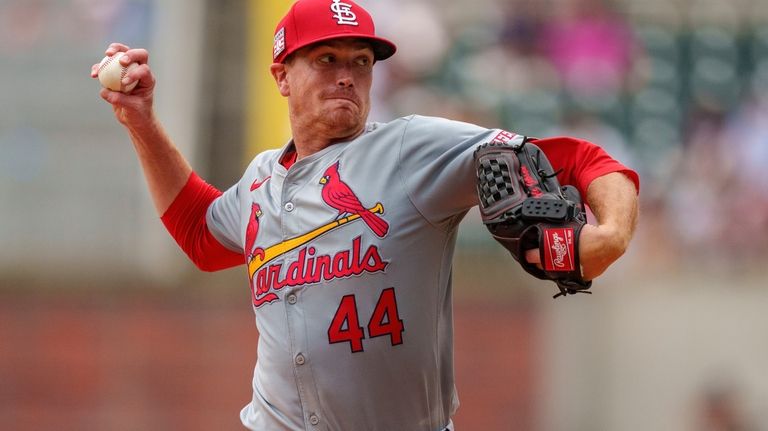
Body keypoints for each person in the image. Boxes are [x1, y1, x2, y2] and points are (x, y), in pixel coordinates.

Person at [91, 0, 639, 429]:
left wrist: (611, 233)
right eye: (326, 59)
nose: (347, 75)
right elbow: (200, 235)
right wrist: (140, 122)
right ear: (282, 76)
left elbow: (581, 157)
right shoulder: (261, 178)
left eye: (360, 61)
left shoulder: (410, 149)